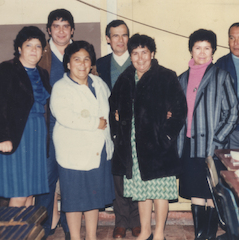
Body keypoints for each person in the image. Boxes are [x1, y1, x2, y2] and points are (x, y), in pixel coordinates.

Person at [109, 34, 187, 240]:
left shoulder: (166, 76)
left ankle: (159, 233)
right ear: (130, 55)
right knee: (142, 191)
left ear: (152, 54)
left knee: (159, 192)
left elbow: (180, 111)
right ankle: (145, 231)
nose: (140, 58)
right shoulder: (125, 78)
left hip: (159, 146)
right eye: (135, 53)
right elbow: (113, 105)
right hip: (134, 146)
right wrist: (118, 121)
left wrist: (166, 137)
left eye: (144, 52)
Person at [177, 29, 239, 240]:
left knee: (211, 194)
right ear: (191, 50)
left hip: (213, 147)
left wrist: (217, 140)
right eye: (198, 48)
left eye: (207, 48)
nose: (202, 53)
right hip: (189, 144)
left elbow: (233, 112)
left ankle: (209, 236)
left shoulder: (221, 76)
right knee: (196, 192)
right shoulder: (182, 79)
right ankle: (200, 236)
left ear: (213, 51)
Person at [50, 40, 115, 240]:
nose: (82, 64)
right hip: (74, 152)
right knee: (75, 200)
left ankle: (92, 236)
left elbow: (110, 107)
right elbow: (64, 116)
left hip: (98, 150)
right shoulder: (61, 87)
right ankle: (77, 238)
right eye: (76, 59)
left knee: (93, 198)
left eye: (86, 59)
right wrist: (95, 123)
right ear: (68, 64)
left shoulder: (99, 83)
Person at [0, 26, 50, 207]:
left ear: (43, 51)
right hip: (14, 136)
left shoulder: (42, 74)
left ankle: (27, 234)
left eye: (38, 46)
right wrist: (3, 137)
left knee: (30, 194)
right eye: (29, 45)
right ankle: (12, 234)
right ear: (19, 48)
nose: (34, 50)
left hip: (36, 136)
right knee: (20, 193)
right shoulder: (5, 69)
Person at [96, 20, 141, 238]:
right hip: (113, 129)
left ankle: (137, 220)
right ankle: (121, 221)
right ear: (108, 39)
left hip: (138, 127)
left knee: (137, 174)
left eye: (124, 35)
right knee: (118, 175)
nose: (120, 40)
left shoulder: (140, 60)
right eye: (115, 36)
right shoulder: (100, 64)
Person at [35, 8, 74, 239]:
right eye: (56, 26)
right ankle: (45, 226)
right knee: (47, 179)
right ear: (49, 30)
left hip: (72, 130)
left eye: (65, 26)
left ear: (72, 30)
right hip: (47, 127)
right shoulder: (40, 54)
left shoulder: (79, 53)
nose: (61, 31)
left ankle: (70, 227)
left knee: (70, 178)